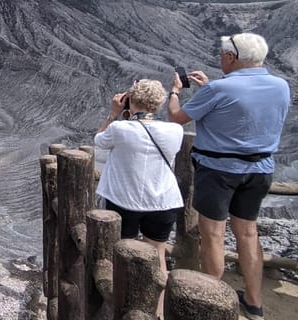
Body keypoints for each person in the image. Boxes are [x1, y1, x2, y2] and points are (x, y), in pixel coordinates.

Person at [167, 32, 291, 320]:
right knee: (248, 233)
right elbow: (245, 108)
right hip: (260, 170)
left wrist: (175, 91)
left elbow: (176, 117)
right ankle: (254, 301)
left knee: (213, 236)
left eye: (223, 54)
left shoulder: (219, 90)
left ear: (232, 57)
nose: (220, 57)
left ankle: (213, 302)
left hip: (219, 171)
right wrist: (212, 88)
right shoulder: (280, 86)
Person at [96, 79, 185, 318]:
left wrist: (114, 114)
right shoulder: (175, 131)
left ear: (130, 100)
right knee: (158, 256)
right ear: (158, 103)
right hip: (163, 201)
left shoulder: (120, 129)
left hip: (125, 199)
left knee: (121, 255)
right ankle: (158, 313)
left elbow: (99, 141)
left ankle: (122, 310)